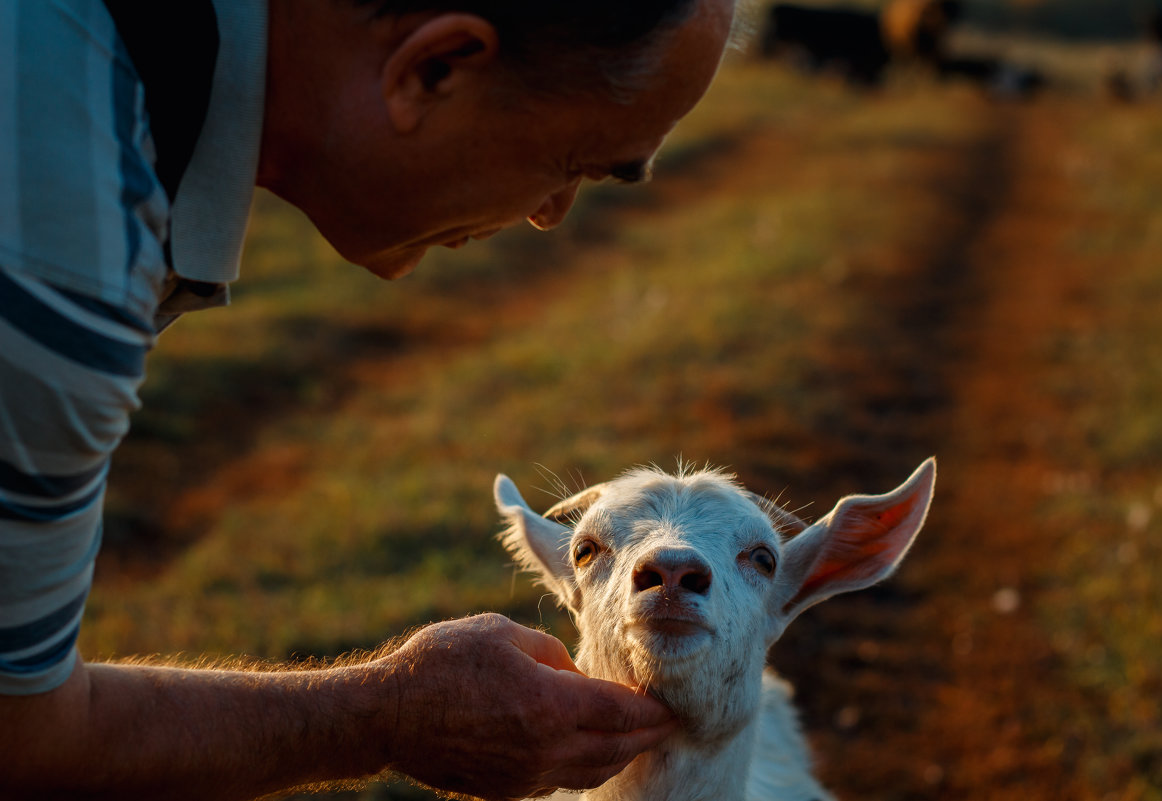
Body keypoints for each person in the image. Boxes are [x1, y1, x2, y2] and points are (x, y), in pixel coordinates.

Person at [0, 0, 736, 799]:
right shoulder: (63, 240)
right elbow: (22, 737)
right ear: (434, 70)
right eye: (574, 163)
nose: (548, 216)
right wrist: (386, 712)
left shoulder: (83, 73)